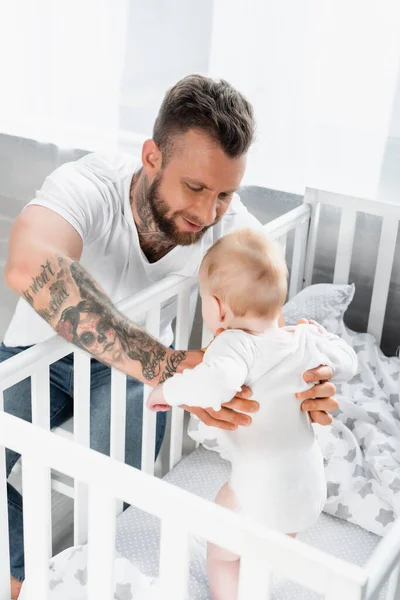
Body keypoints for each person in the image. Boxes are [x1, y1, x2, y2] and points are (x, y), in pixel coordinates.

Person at [2, 74, 338, 598]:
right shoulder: (89, 184)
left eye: (225, 193)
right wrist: (166, 365)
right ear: (152, 157)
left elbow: (271, 321)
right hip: (38, 352)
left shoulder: (232, 228)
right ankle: (23, 573)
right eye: (196, 187)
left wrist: (303, 379)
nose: (207, 213)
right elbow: (29, 265)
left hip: (124, 376)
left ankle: (85, 574)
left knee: (119, 496)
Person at [147, 228, 357, 600]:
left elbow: (215, 382)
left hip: (258, 491)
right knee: (265, 552)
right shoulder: (303, 339)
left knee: (224, 554)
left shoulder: (234, 343)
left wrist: (168, 390)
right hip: (308, 490)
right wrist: (321, 334)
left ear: (221, 309)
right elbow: (348, 363)